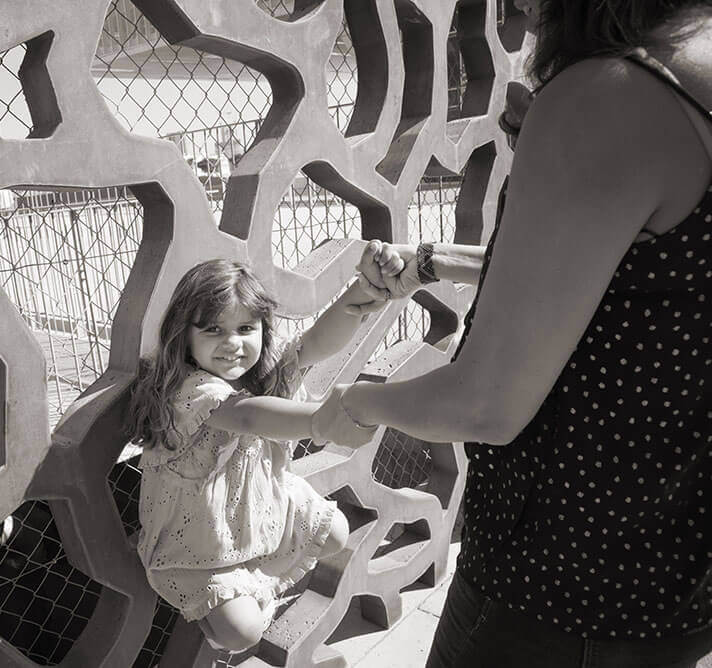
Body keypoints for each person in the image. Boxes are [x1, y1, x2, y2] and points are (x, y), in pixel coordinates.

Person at [314, 0, 712, 666]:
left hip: (557, 595)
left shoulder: (614, 95)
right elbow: (632, 285)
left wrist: (357, 404)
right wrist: (432, 263)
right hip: (676, 585)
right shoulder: (691, 66)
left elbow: (484, 406)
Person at [128, 258, 388, 654]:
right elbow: (248, 417)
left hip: (258, 499)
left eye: (245, 328)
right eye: (213, 329)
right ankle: (242, 595)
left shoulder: (259, 367)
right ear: (184, 336)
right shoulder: (190, 388)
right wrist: (321, 420)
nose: (233, 343)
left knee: (336, 530)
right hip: (203, 534)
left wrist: (358, 296)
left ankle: (257, 574)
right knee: (241, 632)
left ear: (262, 329)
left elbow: (315, 343)